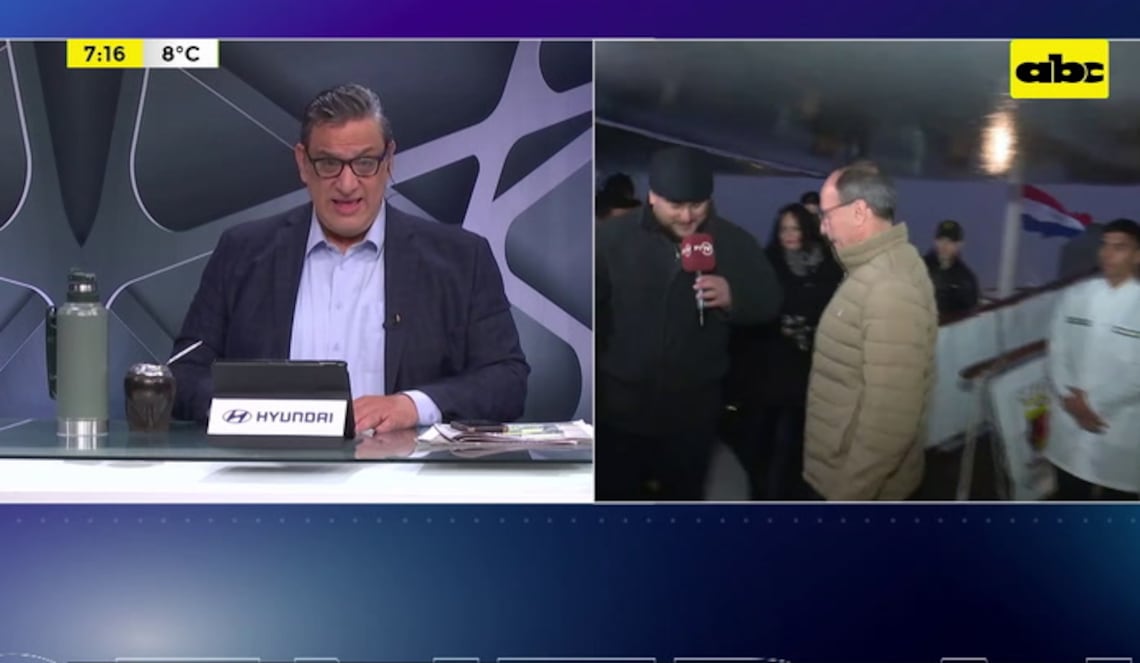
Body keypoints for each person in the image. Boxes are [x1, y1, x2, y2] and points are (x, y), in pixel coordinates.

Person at [169, 83, 530, 432]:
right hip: (272, 467)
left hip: (404, 470)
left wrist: (412, 406)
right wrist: (253, 412)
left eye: (365, 163)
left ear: (389, 160)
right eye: (329, 163)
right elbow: (184, 373)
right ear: (303, 163)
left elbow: (507, 381)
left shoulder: (461, 260)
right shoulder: (243, 253)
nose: (346, 184)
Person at [595, 147, 782, 501]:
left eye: (697, 205)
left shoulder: (734, 242)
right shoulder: (611, 239)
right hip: (619, 412)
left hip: (693, 416)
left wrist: (735, 297)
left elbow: (770, 303)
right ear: (652, 196)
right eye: (676, 205)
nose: (687, 216)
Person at [804, 161, 938, 501]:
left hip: (857, 489)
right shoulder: (879, 267)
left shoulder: (889, 288)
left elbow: (889, 422)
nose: (823, 229)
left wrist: (847, 498)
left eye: (827, 215)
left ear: (859, 212)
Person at [726, 202, 842, 500]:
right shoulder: (768, 263)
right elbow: (756, 309)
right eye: (783, 229)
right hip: (772, 366)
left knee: (801, 439)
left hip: (811, 366)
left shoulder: (827, 265)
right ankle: (761, 496)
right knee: (764, 436)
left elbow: (833, 308)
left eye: (795, 228)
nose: (789, 235)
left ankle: (794, 497)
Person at [1044, 218, 1140, 500]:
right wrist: (1070, 400)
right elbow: (1056, 350)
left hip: (1119, 425)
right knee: (1068, 498)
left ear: (1137, 256)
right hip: (1069, 421)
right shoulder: (1074, 295)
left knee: (1116, 506)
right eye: (1104, 245)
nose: (1107, 254)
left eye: (1119, 247)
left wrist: (1093, 404)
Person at [923, 219, 980, 318]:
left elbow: (970, 316)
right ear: (935, 241)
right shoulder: (917, 267)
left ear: (960, 244)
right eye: (941, 240)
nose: (944, 245)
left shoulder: (966, 279)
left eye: (950, 241)